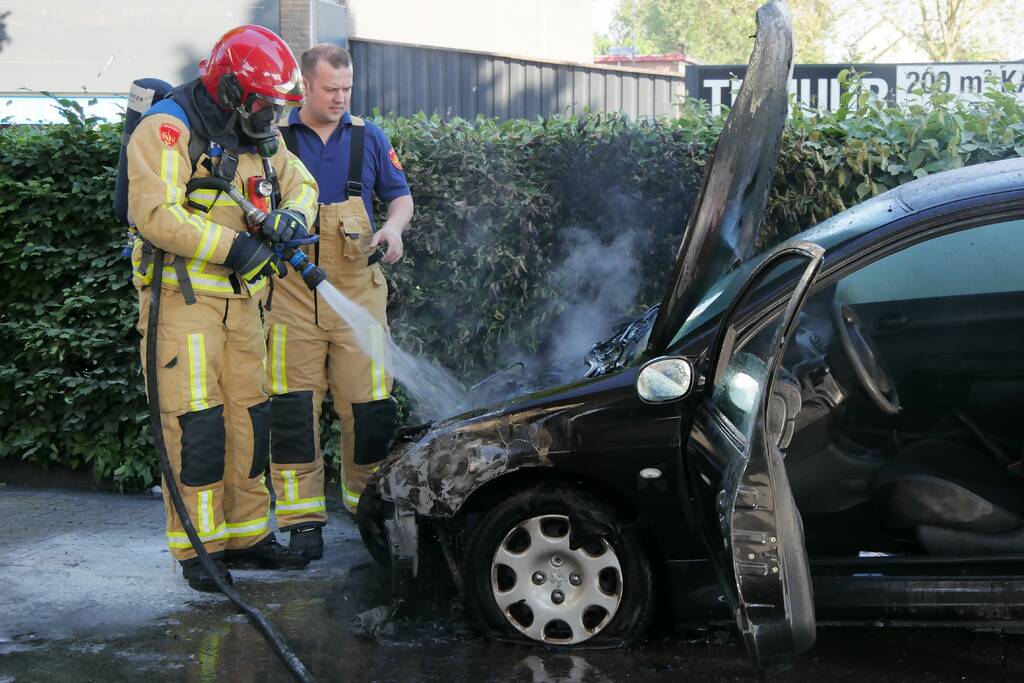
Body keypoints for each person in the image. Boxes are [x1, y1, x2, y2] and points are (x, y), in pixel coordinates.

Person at [127, 25, 319, 591]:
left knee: (248, 419)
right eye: (266, 104)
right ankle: (199, 551)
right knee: (197, 426)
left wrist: (293, 217)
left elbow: (303, 183)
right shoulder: (168, 128)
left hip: (242, 304)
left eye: (279, 107)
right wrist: (236, 247)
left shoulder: (257, 132)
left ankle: (249, 536)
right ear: (234, 90)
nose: (273, 118)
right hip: (182, 302)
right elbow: (157, 215)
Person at [266, 43, 414, 558]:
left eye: (347, 89)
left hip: (358, 293)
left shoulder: (369, 136)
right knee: (291, 412)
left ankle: (367, 509)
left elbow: (400, 197)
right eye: (330, 89)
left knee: (370, 409)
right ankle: (302, 522)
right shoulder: (273, 140)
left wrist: (393, 229)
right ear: (305, 86)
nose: (340, 98)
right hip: (289, 295)